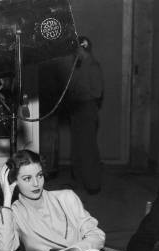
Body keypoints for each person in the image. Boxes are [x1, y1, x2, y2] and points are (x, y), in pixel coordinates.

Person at [62, 35, 104, 194]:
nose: (74, 53)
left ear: (82, 49)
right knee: (77, 148)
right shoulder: (77, 66)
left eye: (76, 50)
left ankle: (93, 184)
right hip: (77, 111)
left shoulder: (93, 66)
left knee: (88, 148)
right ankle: (79, 181)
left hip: (87, 110)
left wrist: (79, 94)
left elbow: (97, 92)